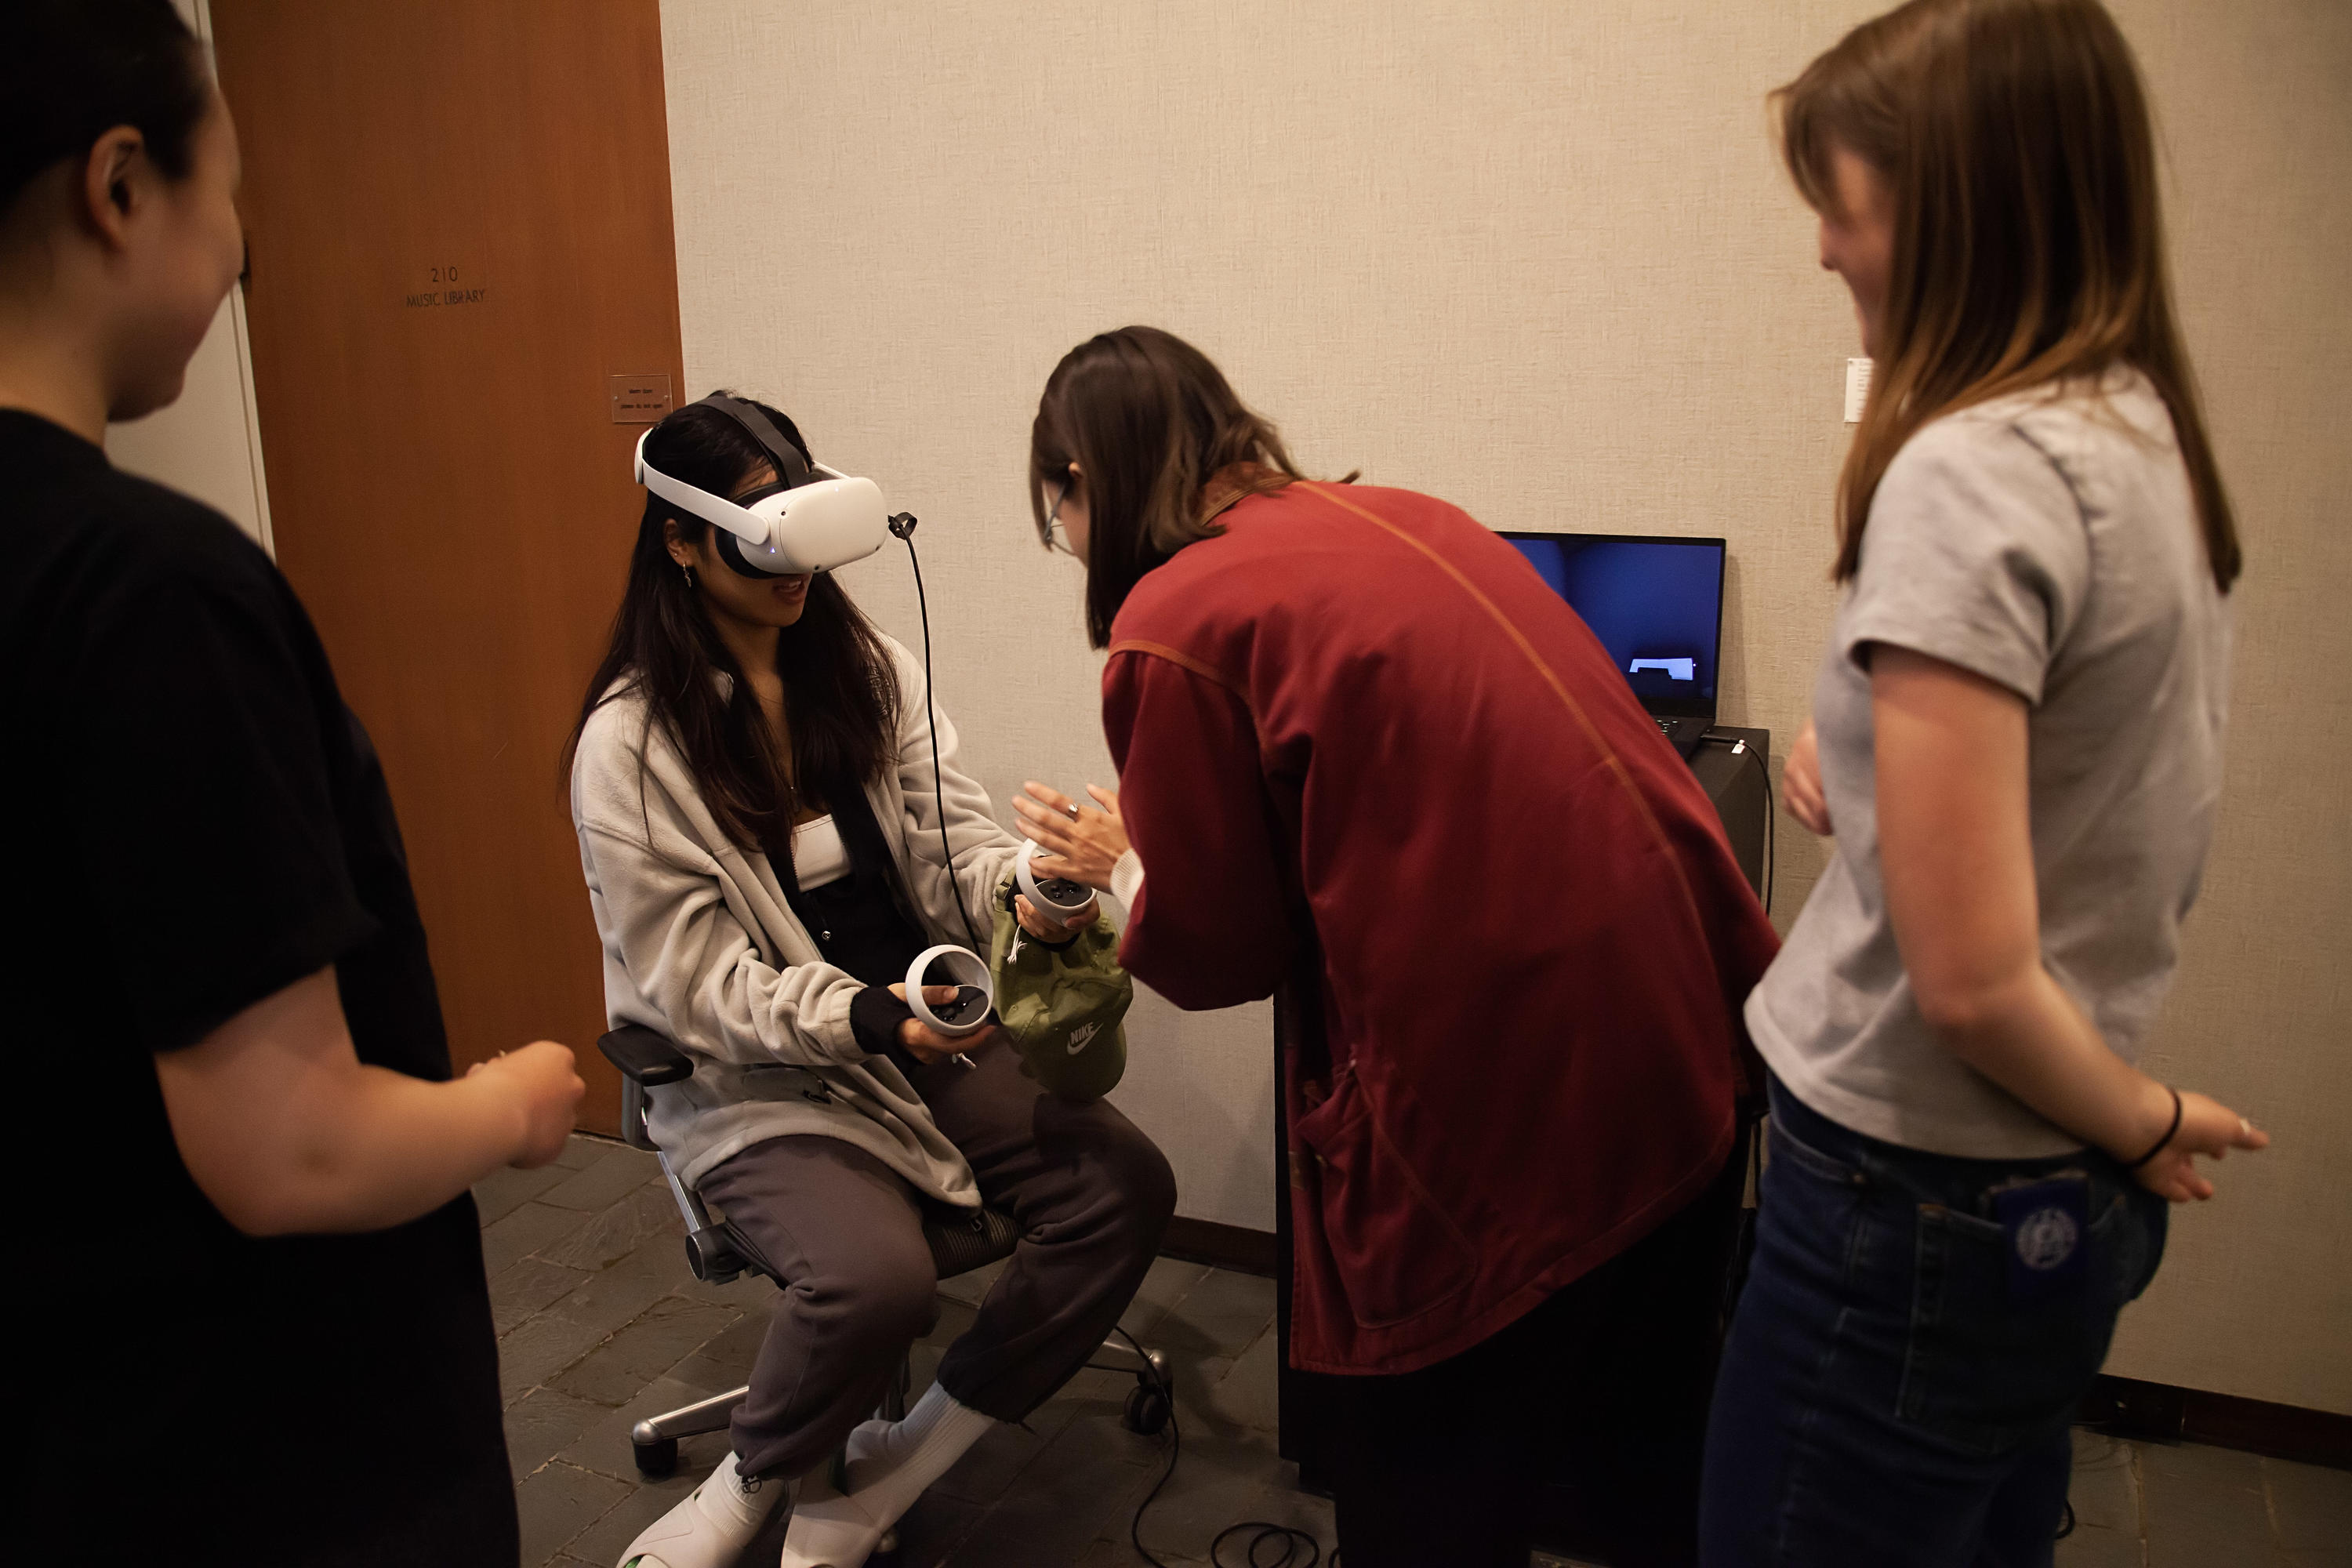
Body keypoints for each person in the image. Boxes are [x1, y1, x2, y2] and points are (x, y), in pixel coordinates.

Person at [1011, 325, 1780, 1568]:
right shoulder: (1415, 516)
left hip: (1513, 1097)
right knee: (1644, 1475)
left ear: (1082, 481)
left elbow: (1216, 952)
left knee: (1429, 1493)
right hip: (1686, 1036)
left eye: (1058, 512)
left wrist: (1123, 866)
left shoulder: (1181, 617)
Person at [0, 2, 587, 1561]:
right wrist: (508, 1102)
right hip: (238, 1443)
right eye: (232, 188)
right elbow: (290, 1144)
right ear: (120, 187)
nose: (246, 244)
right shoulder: (142, 592)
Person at [1696, 2, 2270, 1562]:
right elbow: (2083, 783)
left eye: (1846, 202)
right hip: (2027, 1191)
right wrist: (1874, 769)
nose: (1820, 247)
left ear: (1961, 212)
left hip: (1908, 1202)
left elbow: (1966, 985)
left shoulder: (1972, 471)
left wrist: (2146, 1116)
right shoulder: (2138, 436)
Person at [568, 394, 1177, 1568]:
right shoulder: (633, 747)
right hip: (757, 1066)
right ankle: (745, 1486)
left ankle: (897, 1469)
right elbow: (697, 983)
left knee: (1123, 1187)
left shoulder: (867, 672)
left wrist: (1034, 887)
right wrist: (867, 1019)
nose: (794, 564)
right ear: (684, 544)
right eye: (757, 528)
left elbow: (949, 849)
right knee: (874, 1281)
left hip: (918, 1028)